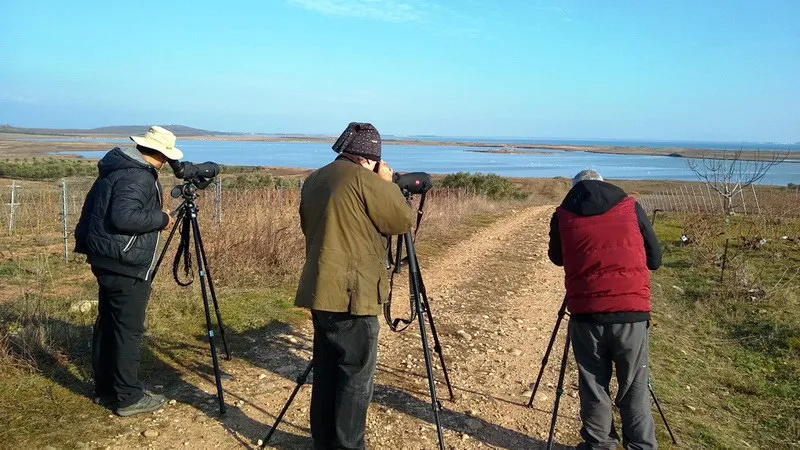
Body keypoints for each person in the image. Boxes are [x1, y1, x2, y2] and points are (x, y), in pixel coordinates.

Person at [295, 122, 414, 449]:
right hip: (352, 292)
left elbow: (310, 225)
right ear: (370, 158)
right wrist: (387, 184)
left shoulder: (317, 177)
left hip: (320, 286)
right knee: (355, 376)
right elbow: (401, 221)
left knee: (327, 370)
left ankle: (324, 440)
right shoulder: (365, 180)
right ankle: (348, 445)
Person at [548, 170, 662, 449]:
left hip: (586, 312)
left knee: (593, 384)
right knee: (633, 385)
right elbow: (655, 259)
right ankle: (641, 446)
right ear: (604, 183)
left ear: (574, 188)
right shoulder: (630, 206)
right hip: (631, 312)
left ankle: (599, 444)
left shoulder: (562, 214)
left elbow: (556, 258)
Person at [74, 126, 182, 416]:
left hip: (106, 257)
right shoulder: (137, 174)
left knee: (108, 325)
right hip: (125, 262)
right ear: (160, 153)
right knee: (127, 330)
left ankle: (106, 390)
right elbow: (124, 217)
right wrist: (162, 218)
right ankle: (129, 397)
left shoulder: (116, 167)